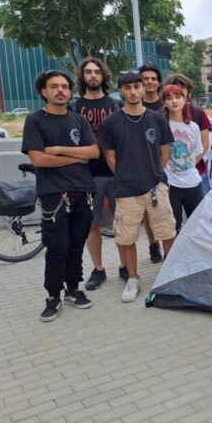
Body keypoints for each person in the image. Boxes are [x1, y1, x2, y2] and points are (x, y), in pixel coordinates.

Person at [21, 70, 99, 321]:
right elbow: (38, 158)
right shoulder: (35, 121)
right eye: (54, 86)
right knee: (57, 245)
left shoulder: (79, 120)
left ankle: (73, 290)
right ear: (44, 92)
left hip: (83, 191)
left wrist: (60, 152)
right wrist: (76, 156)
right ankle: (53, 295)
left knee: (76, 243)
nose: (61, 90)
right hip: (54, 194)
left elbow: (94, 153)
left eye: (65, 86)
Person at [99, 71, 176, 303]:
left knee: (167, 232)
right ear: (120, 91)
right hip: (126, 190)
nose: (133, 92)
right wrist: (126, 176)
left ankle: (170, 276)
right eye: (127, 88)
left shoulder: (157, 118)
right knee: (126, 236)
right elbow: (110, 157)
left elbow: (165, 151)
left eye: (137, 87)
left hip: (156, 187)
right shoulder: (111, 122)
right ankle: (133, 278)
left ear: (144, 89)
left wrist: (155, 175)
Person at [72, 57, 127, 290]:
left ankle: (126, 266)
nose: (93, 76)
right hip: (87, 176)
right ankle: (98, 269)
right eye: (88, 72)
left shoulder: (115, 104)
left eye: (97, 72)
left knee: (122, 223)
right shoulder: (74, 107)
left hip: (116, 173)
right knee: (92, 225)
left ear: (103, 76)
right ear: (82, 77)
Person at [161, 84, 205, 233]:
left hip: (193, 183)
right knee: (173, 225)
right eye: (169, 98)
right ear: (164, 102)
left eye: (178, 97)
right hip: (171, 185)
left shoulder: (193, 127)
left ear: (185, 99)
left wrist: (187, 166)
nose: (174, 101)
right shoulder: (162, 125)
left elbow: (198, 152)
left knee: (197, 225)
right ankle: (173, 255)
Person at [164, 73, 211, 193]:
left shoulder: (198, 113)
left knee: (200, 210)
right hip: (170, 177)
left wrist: (188, 165)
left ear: (188, 92)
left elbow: (204, 144)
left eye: (182, 87)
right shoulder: (161, 117)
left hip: (196, 172)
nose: (178, 89)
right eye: (174, 86)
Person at [138, 63, 165, 262]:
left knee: (166, 211)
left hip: (166, 166)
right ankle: (152, 244)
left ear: (159, 83)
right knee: (148, 211)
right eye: (145, 79)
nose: (149, 82)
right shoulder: (134, 107)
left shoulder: (167, 104)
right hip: (142, 167)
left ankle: (169, 248)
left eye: (153, 78)